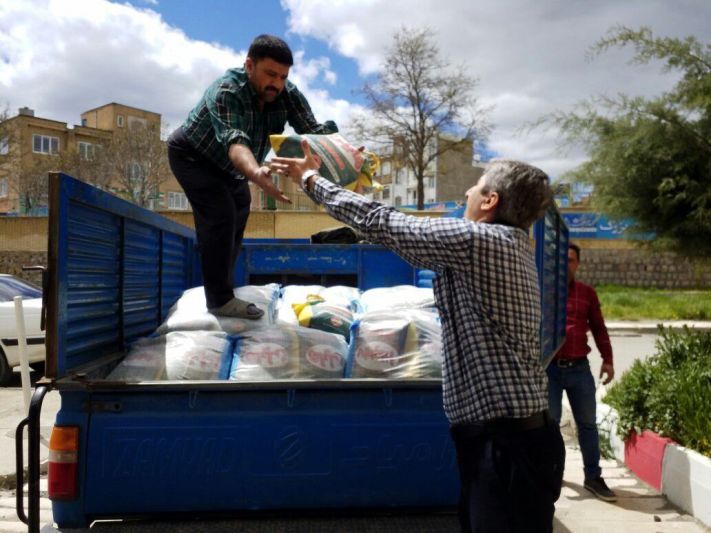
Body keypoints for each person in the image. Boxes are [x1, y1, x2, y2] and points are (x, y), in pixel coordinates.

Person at [272, 141, 566, 533]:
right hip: (507, 442)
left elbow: (387, 222)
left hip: (506, 447)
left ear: (490, 200)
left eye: (475, 187)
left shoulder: (481, 242)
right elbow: (399, 236)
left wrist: (309, 178)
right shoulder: (502, 246)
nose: (466, 193)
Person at [167, 34, 337, 318]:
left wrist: (344, 153)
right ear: (249, 65)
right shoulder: (226, 91)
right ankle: (219, 301)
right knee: (221, 215)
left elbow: (312, 130)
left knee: (239, 215)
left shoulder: (287, 94)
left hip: (232, 170)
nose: (277, 84)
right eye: (270, 74)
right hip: (193, 157)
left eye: (283, 76)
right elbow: (235, 142)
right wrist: (256, 172)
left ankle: (224, 287)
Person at [547, 243, 617, 502]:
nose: (567, 264)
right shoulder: (546, 292)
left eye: (572, 260)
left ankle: (593, 477)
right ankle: (554, 475)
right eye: (562, 260)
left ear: (578, 264)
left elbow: (599, 328)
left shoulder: (587, 293)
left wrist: (607, 360)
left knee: (587, 424)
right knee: (551, 426)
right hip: (550, 371)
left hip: (579, 370)